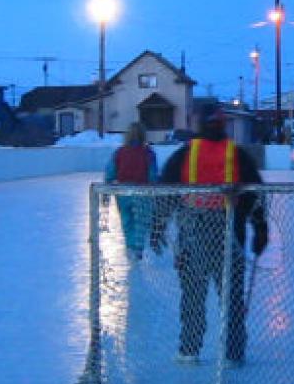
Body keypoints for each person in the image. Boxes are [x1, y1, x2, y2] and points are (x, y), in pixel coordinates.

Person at [156, 106, 268, 365]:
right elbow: (256, 196)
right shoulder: (237, 155)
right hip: (230, 240)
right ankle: (233, 352)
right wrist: (261, 230)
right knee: (231, 299)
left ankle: (189, 349)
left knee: (193, 297)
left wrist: (158, 225)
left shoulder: (185, 154)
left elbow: (164, 192)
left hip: (193, 239)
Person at [105, 122, 158, 258]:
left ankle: (129, 246)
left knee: (127, 220)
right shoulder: (148, 153)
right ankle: (138, 249)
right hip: (142, 192)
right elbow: (152, 174)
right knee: (141, 222)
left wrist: (108, 183)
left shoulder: (119, 152)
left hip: (123, 193)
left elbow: (110, 172)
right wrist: (154, 187)